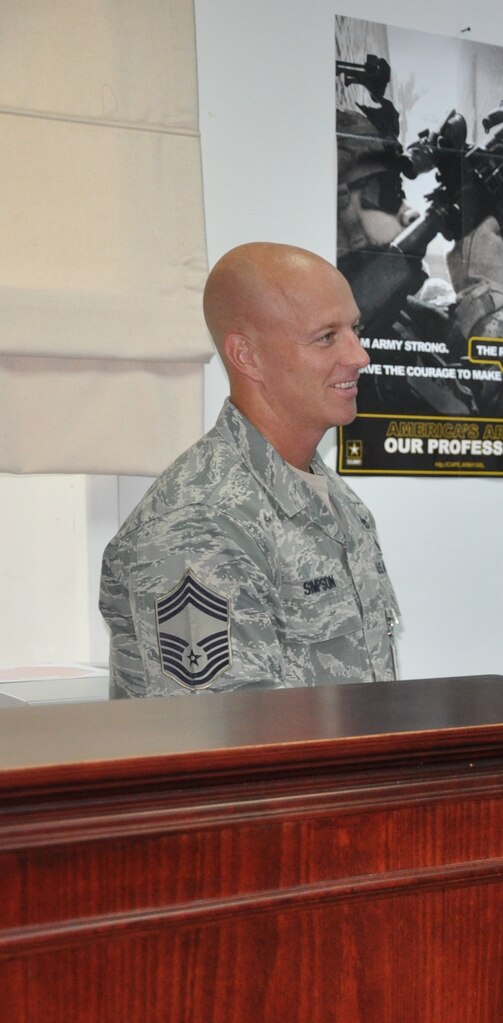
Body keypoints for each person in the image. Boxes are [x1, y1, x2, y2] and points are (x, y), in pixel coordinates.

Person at [100, 243, 402, 698]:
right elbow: (221, 730)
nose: (359, 356)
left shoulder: (330, 497)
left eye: (354, 329)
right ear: (247, 356)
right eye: (326, 337)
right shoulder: (200, 523)